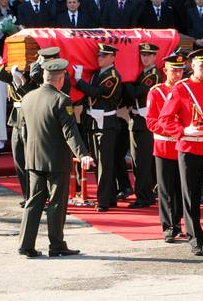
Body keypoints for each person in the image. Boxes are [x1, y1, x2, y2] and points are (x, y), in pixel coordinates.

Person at [18, 58, 94, 258]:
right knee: (57, 203)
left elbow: (24, 132)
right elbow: (70, 132)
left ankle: (26, 245)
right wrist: (83, 154)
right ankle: (57, 245)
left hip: (34, 158)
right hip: (57, 160)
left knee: (33, 202)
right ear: (60, 79)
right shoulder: (62, 100)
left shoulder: (28, 97)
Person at [158, 48, 203, 256]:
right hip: (189, 147)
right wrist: (182, 131)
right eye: (201, 65)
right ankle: (195, 238)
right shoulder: (181, 88)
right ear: (192, 66)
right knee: (191, 195)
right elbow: (164, 119)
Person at [74, 43, 123, 212]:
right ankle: (109, 198)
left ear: (112, 58)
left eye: (104, 56)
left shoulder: (113, 76)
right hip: (94, 121)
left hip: (106, 124)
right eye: (99, 56)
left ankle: (103, 201)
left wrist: (79, 81)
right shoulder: (97, 73)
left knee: (104, 163)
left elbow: (96, 93)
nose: (100, 58)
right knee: (99, 162)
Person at [146, 54, 186, 242]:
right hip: (164, 145)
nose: (177, 74)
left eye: (180, 70)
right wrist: (172, 129)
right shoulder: (156, 92)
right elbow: (151, 121)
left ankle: (177, 222)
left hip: (183, 145)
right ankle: (168, 227)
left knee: (180, 188)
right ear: (165, 71)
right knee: (165, 189)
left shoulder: (186, 90)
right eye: (174, 70)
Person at [0, 54, 39, 207]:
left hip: (29, 120)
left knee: (30, 161)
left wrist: (20, 78)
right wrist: (8, 59)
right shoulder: (14, 73)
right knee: (19, 160)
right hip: (16, 121)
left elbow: (28, 95)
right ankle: (27, 195)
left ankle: (35, 195)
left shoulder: (34, 75)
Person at [125, 43, 162, 208]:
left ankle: (145, 196)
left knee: (143, 161)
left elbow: (135, 93)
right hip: (137, 119)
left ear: (154, 56)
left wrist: (124, 78)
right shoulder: (142, 73)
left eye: (148, 55)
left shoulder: (153, 74)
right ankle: (144, 193)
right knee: (137, 161)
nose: (144, 58)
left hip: (145, 120)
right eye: (142, 54)